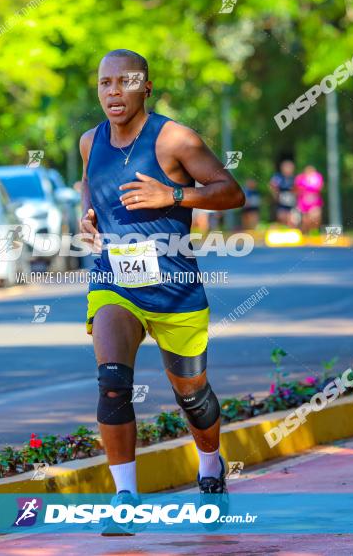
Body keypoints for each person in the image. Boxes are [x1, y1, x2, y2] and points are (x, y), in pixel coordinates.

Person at [78, 49, 245, 534]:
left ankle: (211, 464)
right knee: (112, 382)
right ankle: (125, 496)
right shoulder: (90, 141)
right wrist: (86, 216)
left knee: (193, 397)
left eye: (123, 82)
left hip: (175, 289)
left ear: (145, 86)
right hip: (115, 282)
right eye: (104, 83)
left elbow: (231, 192)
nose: (112, 92)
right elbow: (88, 186)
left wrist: (172, 195)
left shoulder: (174, 139)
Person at [294, 165, 323, 233]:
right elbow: (297, 190)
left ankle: (314, 232)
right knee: (305, 220)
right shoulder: (300, 178)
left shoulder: (317, 178)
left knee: (316, 217)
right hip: (303, 204)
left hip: (315, 203)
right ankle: (305, 233)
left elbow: (319, 187)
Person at [269, 158, 297, 226]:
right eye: (286, 167)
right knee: (281, 217)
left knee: (292, 220)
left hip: (292, 204)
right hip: (281, 204)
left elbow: (298, 189)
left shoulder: (295, 178)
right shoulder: (278, 177)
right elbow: (272, 185)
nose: (288, 169)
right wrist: (276, 195)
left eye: (290, 167)